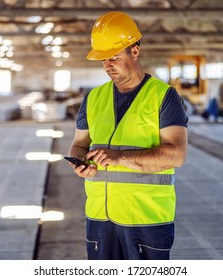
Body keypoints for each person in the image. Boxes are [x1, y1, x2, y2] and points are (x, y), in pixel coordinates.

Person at [68, 11, 188, 260]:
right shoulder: (93, 98)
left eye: (114, 57)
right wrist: (81, 164)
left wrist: (118, 158)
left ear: (135, 52)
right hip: (100, 217)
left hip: (147, 218)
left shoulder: (164, 96)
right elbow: (78, 146)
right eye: (103, 60)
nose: (108, 65)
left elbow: (176, 155)